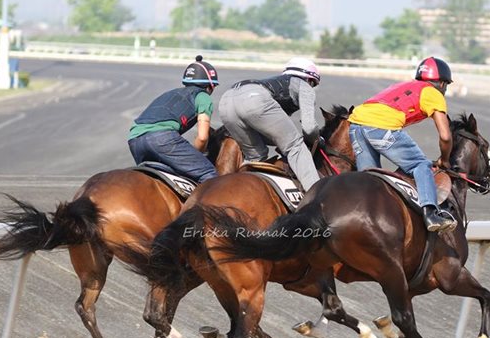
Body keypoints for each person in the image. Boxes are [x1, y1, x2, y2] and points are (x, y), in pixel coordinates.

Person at [347, 56, 457, 232]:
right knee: (420, 164)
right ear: (442, 84)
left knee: (369, 177)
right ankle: (431, 213)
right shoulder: (433, 93)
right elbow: (445, 136)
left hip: (355, 125)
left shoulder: (405, 85)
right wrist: (445, 160)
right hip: (381, 127)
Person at [218, 57, 322, 191]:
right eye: (313, 84)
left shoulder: (277, 83)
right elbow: (309, 128)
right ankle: (316, 195)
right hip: (254, 99)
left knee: (256, 155)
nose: (312, 87)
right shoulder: (305, 86)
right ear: (309, 79)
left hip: (226, 101)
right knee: (296, 146)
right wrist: (316, 138)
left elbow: (272, 131)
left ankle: (240, 189)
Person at [127, 55, 219, 183]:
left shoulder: (171, 93)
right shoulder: (203, 96)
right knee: (209, 174)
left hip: (135, 140)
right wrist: (197, 155)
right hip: (162, 140)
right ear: (210, 86)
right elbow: (202, 138)